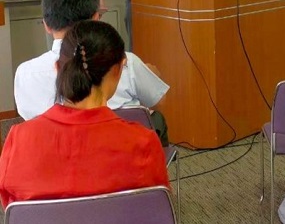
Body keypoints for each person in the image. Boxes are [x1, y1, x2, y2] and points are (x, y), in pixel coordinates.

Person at [0, 20, 169, 209]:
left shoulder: (19, 140)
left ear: (58, 68)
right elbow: (156, 209)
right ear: (118, 70)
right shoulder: (143, 143)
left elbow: (12, 209)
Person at [13, 0, 170, 146]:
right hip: (122, 151)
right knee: (156, 119)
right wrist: (151, 75)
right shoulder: (123, 61)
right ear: (96, 18)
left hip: (52, 154)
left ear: (46, 24)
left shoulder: (25, 73)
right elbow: (158, 100)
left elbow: (29, 119)